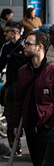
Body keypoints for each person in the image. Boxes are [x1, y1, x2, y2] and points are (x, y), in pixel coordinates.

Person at [13, 32, 54, 166]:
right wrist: (15, 124)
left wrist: (52, 125)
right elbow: (18, 100)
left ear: (40, 47)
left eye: (28, 44)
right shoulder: (23, 71)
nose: (24, 46)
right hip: (30, 127)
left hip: (48, 129)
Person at [0, 21, 27, 157]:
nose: (5, 34)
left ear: (14, 33)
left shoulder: (25, 47)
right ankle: (15, 148)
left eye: (7, 31)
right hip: (10, 87)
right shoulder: (5, 47)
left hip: (25, 88)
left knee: (27, 119)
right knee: (10, 119)